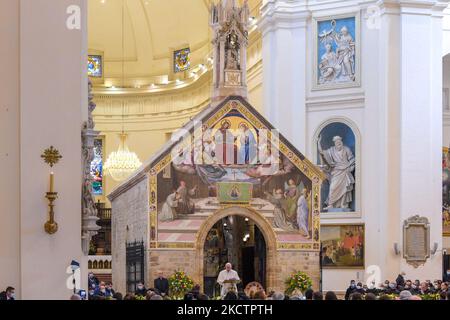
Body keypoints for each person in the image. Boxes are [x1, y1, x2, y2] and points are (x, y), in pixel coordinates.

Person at [318, 135, 355, 210]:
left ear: (341, 142)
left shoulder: (346, 149)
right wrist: (319, 142)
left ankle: (343, 204)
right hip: (336, 171)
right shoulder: (331, 150)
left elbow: (352, 160)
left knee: (345, 188)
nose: (339, 143)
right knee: (332, 188)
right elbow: (322, 152)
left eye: (340, 141)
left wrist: (351, 167)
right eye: (337, 142)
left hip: (345, 170)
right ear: (335, 143)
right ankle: (331, 204)